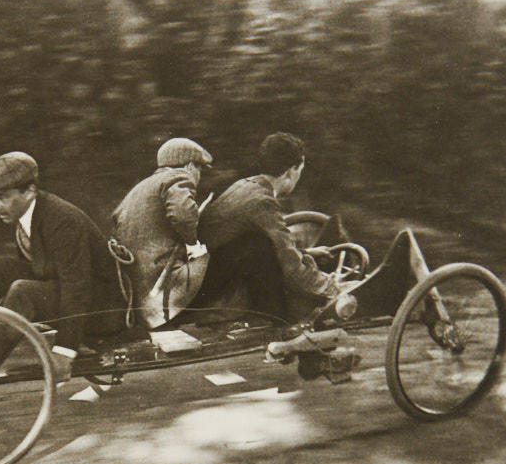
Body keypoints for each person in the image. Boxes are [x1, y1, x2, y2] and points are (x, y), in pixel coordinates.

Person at [0, 151, 127, 403]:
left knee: (22, 291)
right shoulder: (28, 215)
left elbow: (77, 287)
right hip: (72, 296)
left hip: (101, 311)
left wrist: (65, 351)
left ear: (30, 190)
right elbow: (38, 269)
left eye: (2, 198)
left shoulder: (62, 220)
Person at [196, 132, 341, 321]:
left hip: (199, 278)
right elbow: (292, 266)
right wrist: (334, 288)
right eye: (300, 171)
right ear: (291, 171)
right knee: (262, 250)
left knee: (263, 248)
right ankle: (280, 327)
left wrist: (308, 253)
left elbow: (279, 247)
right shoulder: (262, 202)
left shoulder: (244, 185)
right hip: (209, 293)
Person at [111, 138, 212, 328]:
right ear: (190, 165)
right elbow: (182, 216)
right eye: (200, 169)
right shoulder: (179, 177)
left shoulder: (142, 187)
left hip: (135, 288)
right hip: (164, 283)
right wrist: (193, 245)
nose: (199, 176)